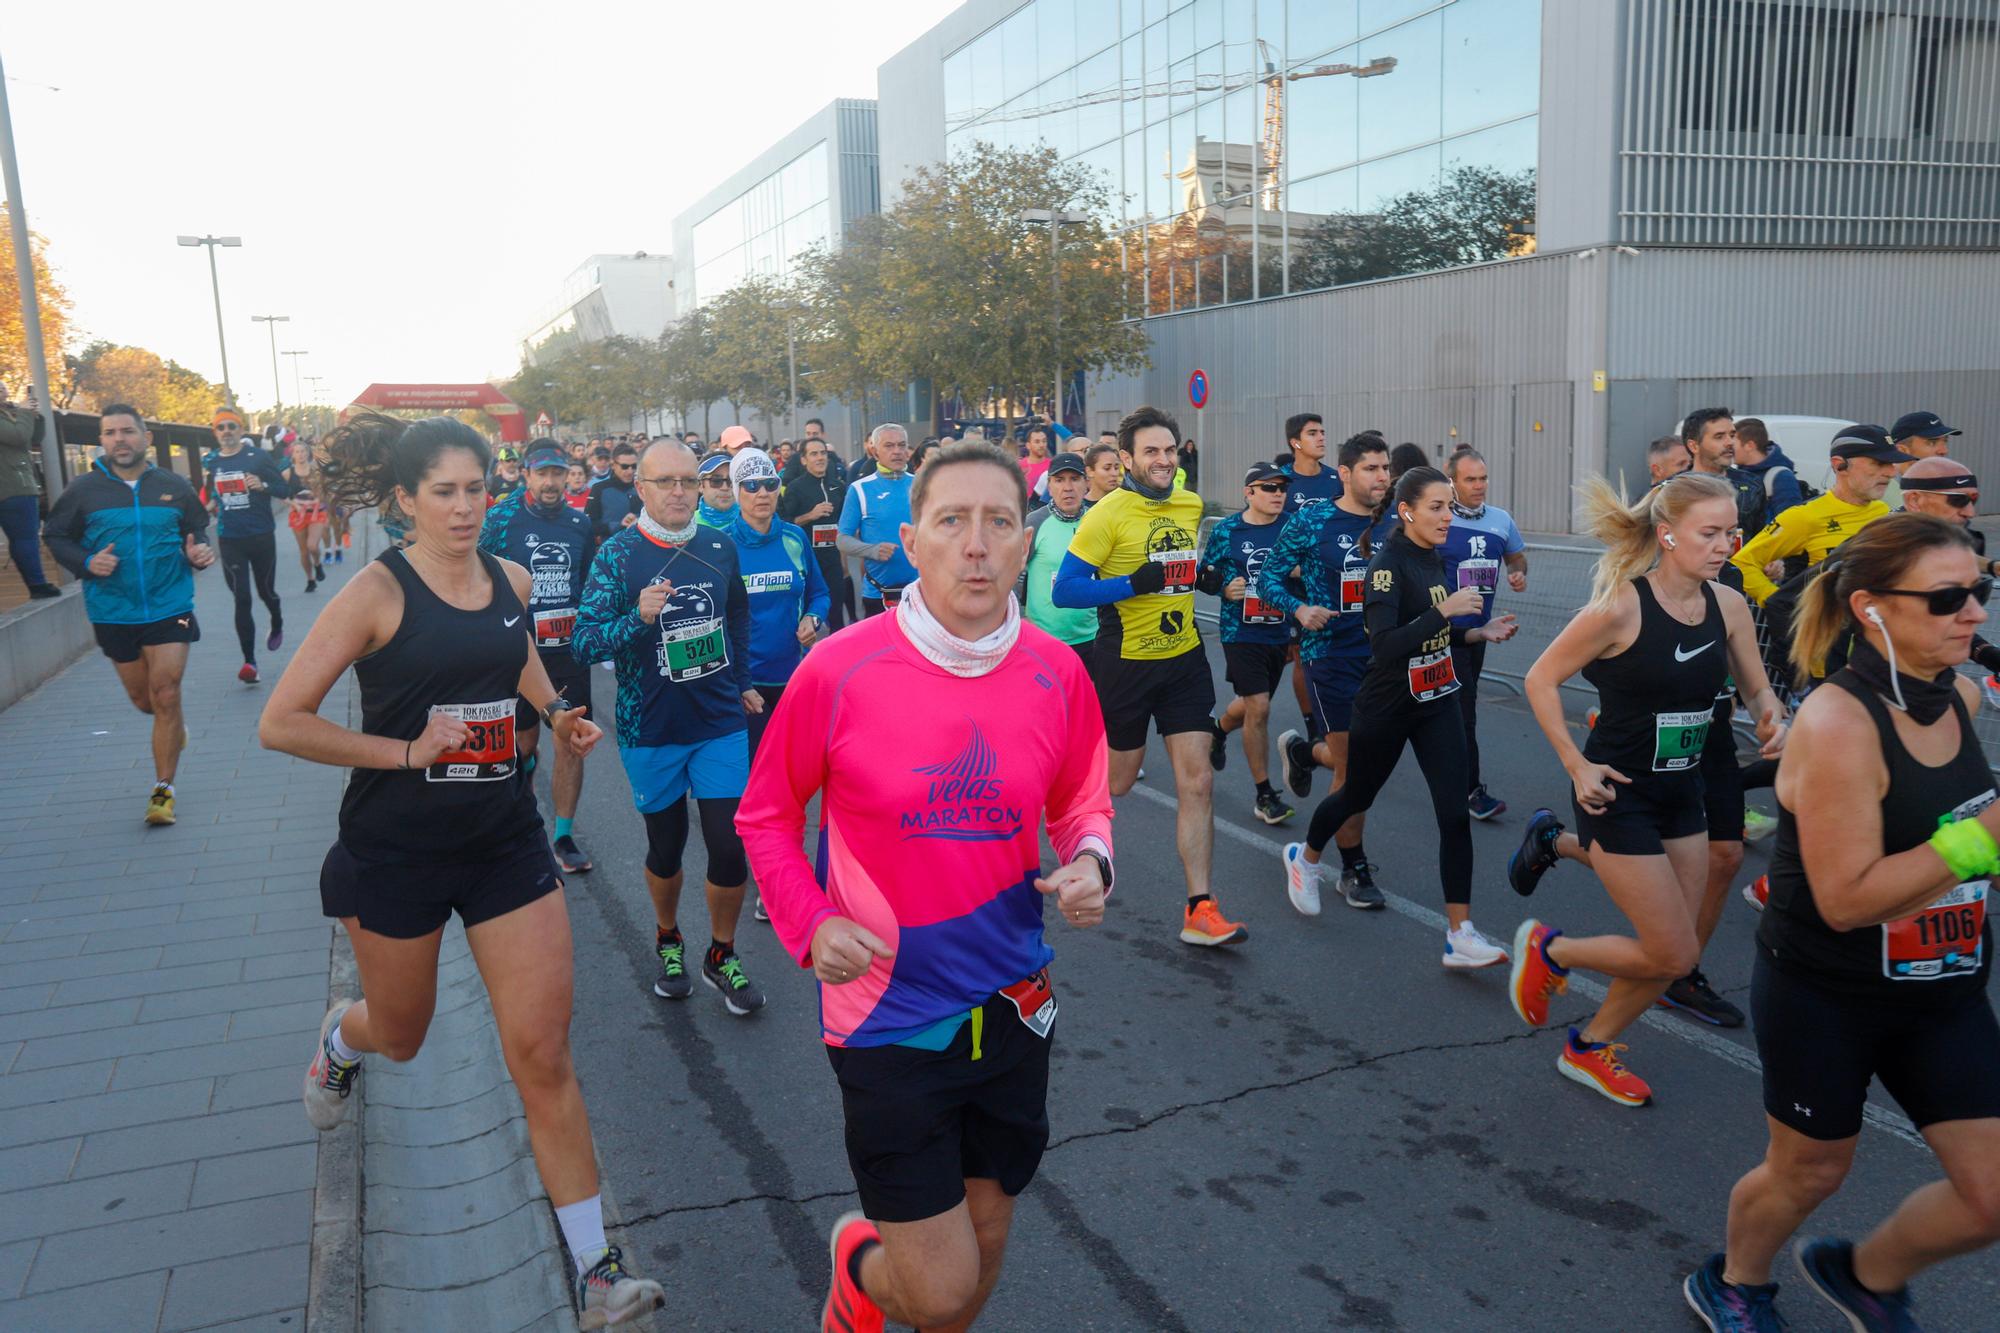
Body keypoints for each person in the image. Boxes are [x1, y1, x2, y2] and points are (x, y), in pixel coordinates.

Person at [258, 413, 663, 1330]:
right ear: (405, 500)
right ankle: (339, 1043)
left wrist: (556, 709)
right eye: (444, 491)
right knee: (401, 1034)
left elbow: (509, 647)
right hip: (395, 848)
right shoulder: (373, 592)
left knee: (544, 1053)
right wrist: (407, 751)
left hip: (501, 842)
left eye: (477, 487)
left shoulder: (510, 576)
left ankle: (598, 1272)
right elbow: (281, 720)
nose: (465, 506)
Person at [738, 441, 1112, 1333]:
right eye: (953, 521)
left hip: (1016, 1002)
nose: (976, 545)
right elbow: (765, 815)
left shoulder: (1057, 672)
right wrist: (811, 919)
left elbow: (1081, 800)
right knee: (938, 1289)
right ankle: (860, 1265)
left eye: (998, 522)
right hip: (888, 1014)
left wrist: (1092, 862)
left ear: (1026, 543)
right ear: (911, 541)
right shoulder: (840, 668)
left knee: (980, 1250)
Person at [1684, 513, 2000, 1332]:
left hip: (1947, 987)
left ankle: (1867, 1275)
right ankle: (1736, 1281)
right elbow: (1849, 898)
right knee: (1810, 1171)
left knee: (1993, 1194)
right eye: (1949, 598)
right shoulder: (1837, 723)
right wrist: (1979, 840)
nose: (1976, 612)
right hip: (1828, 991)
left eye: (1982, 591)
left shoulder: (1961, 694)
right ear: (1871, 607)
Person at [1509, 472, 1787, 1106]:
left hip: (1682, 789)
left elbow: (1756, 688)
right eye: (1709, 533)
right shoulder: (1619, 607)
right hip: (1618, 791)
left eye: (1731, 533)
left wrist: (1774, 715)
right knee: (1670, 949)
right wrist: (1577, 765)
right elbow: (1539, 679)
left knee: (1674, 953)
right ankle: (1552, 950)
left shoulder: (1729, 605)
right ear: (1667, 535)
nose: (1725, 545)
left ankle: (1587, 1048)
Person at [1279, 467, 1519, 970]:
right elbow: (1385, 646)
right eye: (1437, 507)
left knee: (1454, 815)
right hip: (1387, 706)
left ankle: (1461, 935)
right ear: (1407, 510)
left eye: (1450, 507)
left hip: (1437, 703)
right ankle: (1308, 856)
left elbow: (1435, 636)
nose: (1447, 516)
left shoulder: (1433, 558)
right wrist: (1445, 613)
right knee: (1355, 795)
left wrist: (1478, 633)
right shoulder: (1384, 568)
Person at [572, 439, 767, 1016]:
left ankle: (722, 953)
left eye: (690, 481)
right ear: (642, 490)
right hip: (650, 726)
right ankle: (668, 937)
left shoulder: (719, 545)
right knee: (667, 846)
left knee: (730, 846)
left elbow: (736, 613)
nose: (680, 491)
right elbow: (584, 641)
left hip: (718, 721)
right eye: (666, 482)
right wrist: (637, 617)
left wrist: (741, 679)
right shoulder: (617, 555)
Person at [1054, 406, 1247, 947]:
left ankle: (1199, 909)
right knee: (1115, 784)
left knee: (1199, 780)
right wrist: (1132, 584)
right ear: (1128, 459)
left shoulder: (1188, 504)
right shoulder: (1106, 514)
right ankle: (1060, 825)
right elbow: (1064, 591)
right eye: (1150, 452)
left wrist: (1205, 578)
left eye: (1169, 450)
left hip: (1183, 660)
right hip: (1127, 666)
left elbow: (1180, 567)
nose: (1162, 460)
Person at [43, 404, 216, 825]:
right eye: (110, 433)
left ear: (146, 438)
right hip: (112, 609)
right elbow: (56, 535)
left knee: (166, 693)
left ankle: (163, 792)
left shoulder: (174, 486)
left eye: (127, 431)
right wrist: (86, 562)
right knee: (145, 702)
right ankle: (172, 729)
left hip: (168, 603)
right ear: (101, 441)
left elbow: (196, 530)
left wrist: (197, 552)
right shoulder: (83, 491)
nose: (119, 439)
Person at [1268, 434, 1394, 905]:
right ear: (1344, 473)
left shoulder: (1396, 521)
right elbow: (1269, 576)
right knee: (1355, 767)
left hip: (1384, 660)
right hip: (1330, 657)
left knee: (1368, 763)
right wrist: (1299, 611)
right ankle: (1353, 867)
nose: (1381, 477)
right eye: (1370, 468)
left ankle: (1303, 754)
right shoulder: (1313, 519)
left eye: (1385, 468)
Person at [480, 439, 601, 875]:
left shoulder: (578, 523)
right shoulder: (500, 519)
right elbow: (478, 573)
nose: (551, 482)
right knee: (523, 745)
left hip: (567, 654)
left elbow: (588, 582)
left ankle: (564, 837)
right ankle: (521, 804)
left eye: (558, 473)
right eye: (542, 473)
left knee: (570, 741)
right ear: (527, 475)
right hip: (517, 653)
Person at [1201, 462, 1296, 826]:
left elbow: (1311, 570)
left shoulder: (1292, 527)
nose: (1277, 495)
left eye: (1281, 488)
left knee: (1255, 703)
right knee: (1259, 707)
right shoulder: (1227, 530)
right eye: (1268, 488)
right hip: (1240, 631)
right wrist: (1224, 586)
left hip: (1279, 630)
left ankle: (1218, 730)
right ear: (1249, 493)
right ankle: (1264, 794)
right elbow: (1205, 575)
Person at [1437, 447, 1527, 822]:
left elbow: (1516, 557)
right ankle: (1470, 791)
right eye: (1470, 479)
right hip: (1442, 633)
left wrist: (1518, 573)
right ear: (1453, 481)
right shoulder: (1439, 520)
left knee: (1450, 711)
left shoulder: (1500, 520)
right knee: (1464, 713)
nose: (1479, 486)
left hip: (1480, 634)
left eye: (1483, 478)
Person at [726, 446, 828, 755]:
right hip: (745, 684)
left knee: (793, 769)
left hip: (792, 676)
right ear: (736, 491)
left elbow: (820, 593)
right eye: (751, 485)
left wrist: (813, 618)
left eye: (770, 484)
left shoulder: (795, 538)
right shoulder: (722, 546)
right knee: (756, 773)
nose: (762, 493)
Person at [1731, 425, 1898, 607]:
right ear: (1839, 465)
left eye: (1892, 463)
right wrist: (1782, 606)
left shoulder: (1883, 513)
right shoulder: (1804, 516)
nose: (1891, 472)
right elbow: (1742, 562)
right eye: (1879, 463)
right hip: (1819, 631)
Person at [202, 406, 292, 684]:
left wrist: (262, 484)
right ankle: (249, 663)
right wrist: (211, 503)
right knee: (242, 597)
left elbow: (284, 489)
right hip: (230, 539)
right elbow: (211, 492)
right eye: (221, 427)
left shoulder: (258, 457)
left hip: (261, 535)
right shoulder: (213, 462)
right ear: (215, 433)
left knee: (266, 592)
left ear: (241, 430)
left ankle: (276, 620)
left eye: (232, 426)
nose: (227, 432)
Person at [1017, 451, 1098, 671]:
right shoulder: (1034, 523)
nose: (1068, 487)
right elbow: (1009, 576)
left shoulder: (1099, 520)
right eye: (1059, 480)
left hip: (1093, 637)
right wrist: (1021, 619)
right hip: (1046, 640)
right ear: (1049, 486)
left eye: (1074, 479)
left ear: (1086, 484)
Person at [838, 423, 918, 616]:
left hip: (920, 592)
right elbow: (842, 540)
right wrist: (872, 550)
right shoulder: (859, 489)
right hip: (878, 593)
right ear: (874, 451)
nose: (897, 451)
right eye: (889, 446)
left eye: (902, 445)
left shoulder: (921, 485)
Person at [778, 434, 851, 632]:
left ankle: (839, 660)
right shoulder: (795, 488)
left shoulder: (838, 486)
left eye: (823, 453)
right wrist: (811, 515)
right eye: (813, 454)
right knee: (807, 618)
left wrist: (844, 558)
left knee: (837, 616)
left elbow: (846, 525)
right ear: (804, 459)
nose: (820, 458)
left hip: (833, 559)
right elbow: (784, 523)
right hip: (807, 561)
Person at [0, 379, 58, 598]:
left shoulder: (10, 413)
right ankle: (37, 585)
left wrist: (35, 417)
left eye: (3, 387)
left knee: (24, 538)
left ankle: (37, 584)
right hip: (14, 487)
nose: (4, 391)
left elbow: (33, 438)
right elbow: (19, 437)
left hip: (16, 485)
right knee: (25, 538)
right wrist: (25, 414)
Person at [1732, 418, 1806, 519]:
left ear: (1749, 446)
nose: (1728, 448)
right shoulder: (1737, 474)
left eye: (1733, 444)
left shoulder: (1781, 477)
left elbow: (1789, 522)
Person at [284, 437, 331, 592]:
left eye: (303, 451)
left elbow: (326, 489)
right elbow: (281, 494)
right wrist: (294, 504)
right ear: (293, 455)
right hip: (298, 514)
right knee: (304, 550)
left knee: (312, 545)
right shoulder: (287, 473)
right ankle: (310, 579)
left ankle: (318, 564)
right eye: (297, 452)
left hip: (316, 512)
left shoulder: (316, 470)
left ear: (308, 453)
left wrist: (319, 498)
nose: (301, 454)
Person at [1279, 412, 1342, 517]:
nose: (1321, 438)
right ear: (1295, 443)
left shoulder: (1338, 479)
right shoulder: (1279, 480)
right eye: (1312, 434)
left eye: (1322, 433)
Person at [586, 443, 640, 537]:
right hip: (612, 547)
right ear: (613, 465)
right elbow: (590, 524)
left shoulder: (643, 487)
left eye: (634, 466)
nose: (630, 471)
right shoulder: (599, 489)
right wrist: (618, 525)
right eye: (625, 467)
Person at [1891, 409, 1960, 464]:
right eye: (1932, 443)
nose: (1944, 451)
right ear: (1901, 450)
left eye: (1945, 441)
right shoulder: (1885, 481)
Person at [695, 451, 737, 528]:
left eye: (731, 480)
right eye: (716, 481)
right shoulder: (687, 524)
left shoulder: (752, 520)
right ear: (700, 485)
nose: (725, 488)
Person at [1020, 424, 1053, 496]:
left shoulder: (1053, 465)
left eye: (1044, 441)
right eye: (1037, 442)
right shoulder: (1019, 466)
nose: (1041, 445)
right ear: (1028, 445)